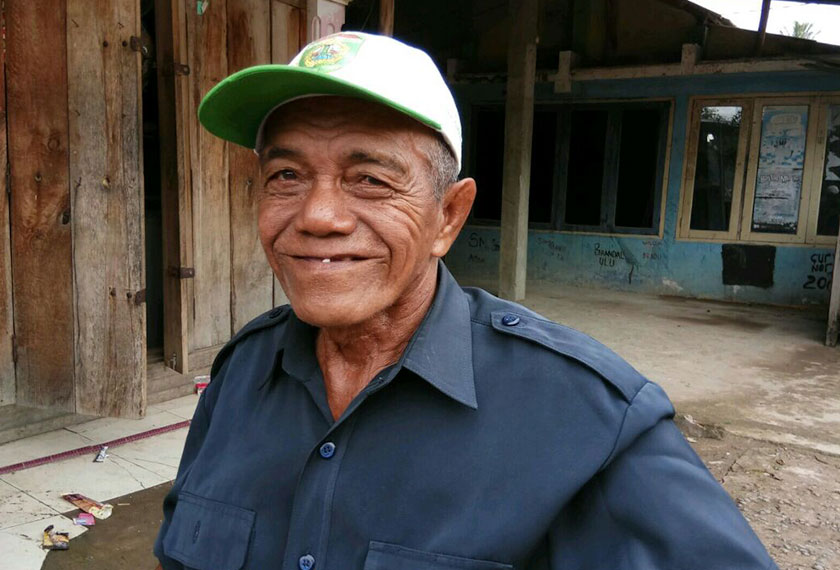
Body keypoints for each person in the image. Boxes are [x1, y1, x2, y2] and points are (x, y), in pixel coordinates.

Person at [154, 31, 777, 570]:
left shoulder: (585, 415)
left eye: (369, 179)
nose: (317, 216)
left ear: (449, 217)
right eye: (285, 176)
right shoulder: (241, 375)